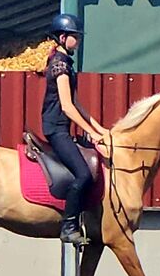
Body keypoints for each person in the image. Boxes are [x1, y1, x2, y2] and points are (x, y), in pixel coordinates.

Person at [42, 13, 109, 246]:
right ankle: (68, 225)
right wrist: (90, 131)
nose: (78, 41)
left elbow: (77, 103)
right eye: (75, 37)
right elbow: (67, 107)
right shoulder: (59, 66)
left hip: (63, 128)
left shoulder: (66, 64)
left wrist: (100, 129)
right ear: (62, 38)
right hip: (56, 129)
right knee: (83, 174)